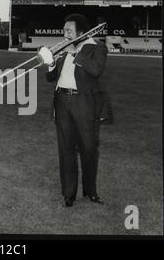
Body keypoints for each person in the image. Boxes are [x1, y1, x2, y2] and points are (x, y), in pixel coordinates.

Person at [39, 13, 108, 207]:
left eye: (69, 30)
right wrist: (51, 63)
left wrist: (75, 52)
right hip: (62, 100)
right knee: (66, 149)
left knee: (88, 149)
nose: (65, 33)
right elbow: (51, 78)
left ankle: (90, 191)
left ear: (81, 32)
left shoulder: (97, 47)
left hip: (84, 103)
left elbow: (96, 70)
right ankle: (68, 193)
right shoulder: (63, 48)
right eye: (64, 30)